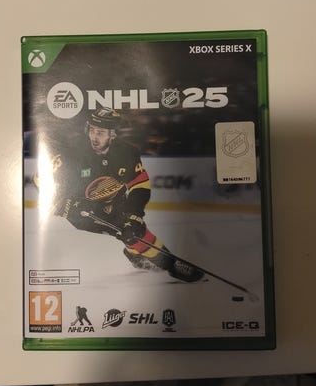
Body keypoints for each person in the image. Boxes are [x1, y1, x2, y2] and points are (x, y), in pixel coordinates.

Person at [45, 107, 203, 283]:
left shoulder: (127, 152)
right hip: (81, 209)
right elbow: (41, 180)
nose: (94, 137)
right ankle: (171, 265)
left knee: (132, 228)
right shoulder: (73, 153)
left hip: (115, 201)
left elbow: (140, 184)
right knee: (130, 232)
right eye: (92, 130)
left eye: (100, 132)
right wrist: (64, 204)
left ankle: (134, 253)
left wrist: (135, 214)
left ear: (112, 134)